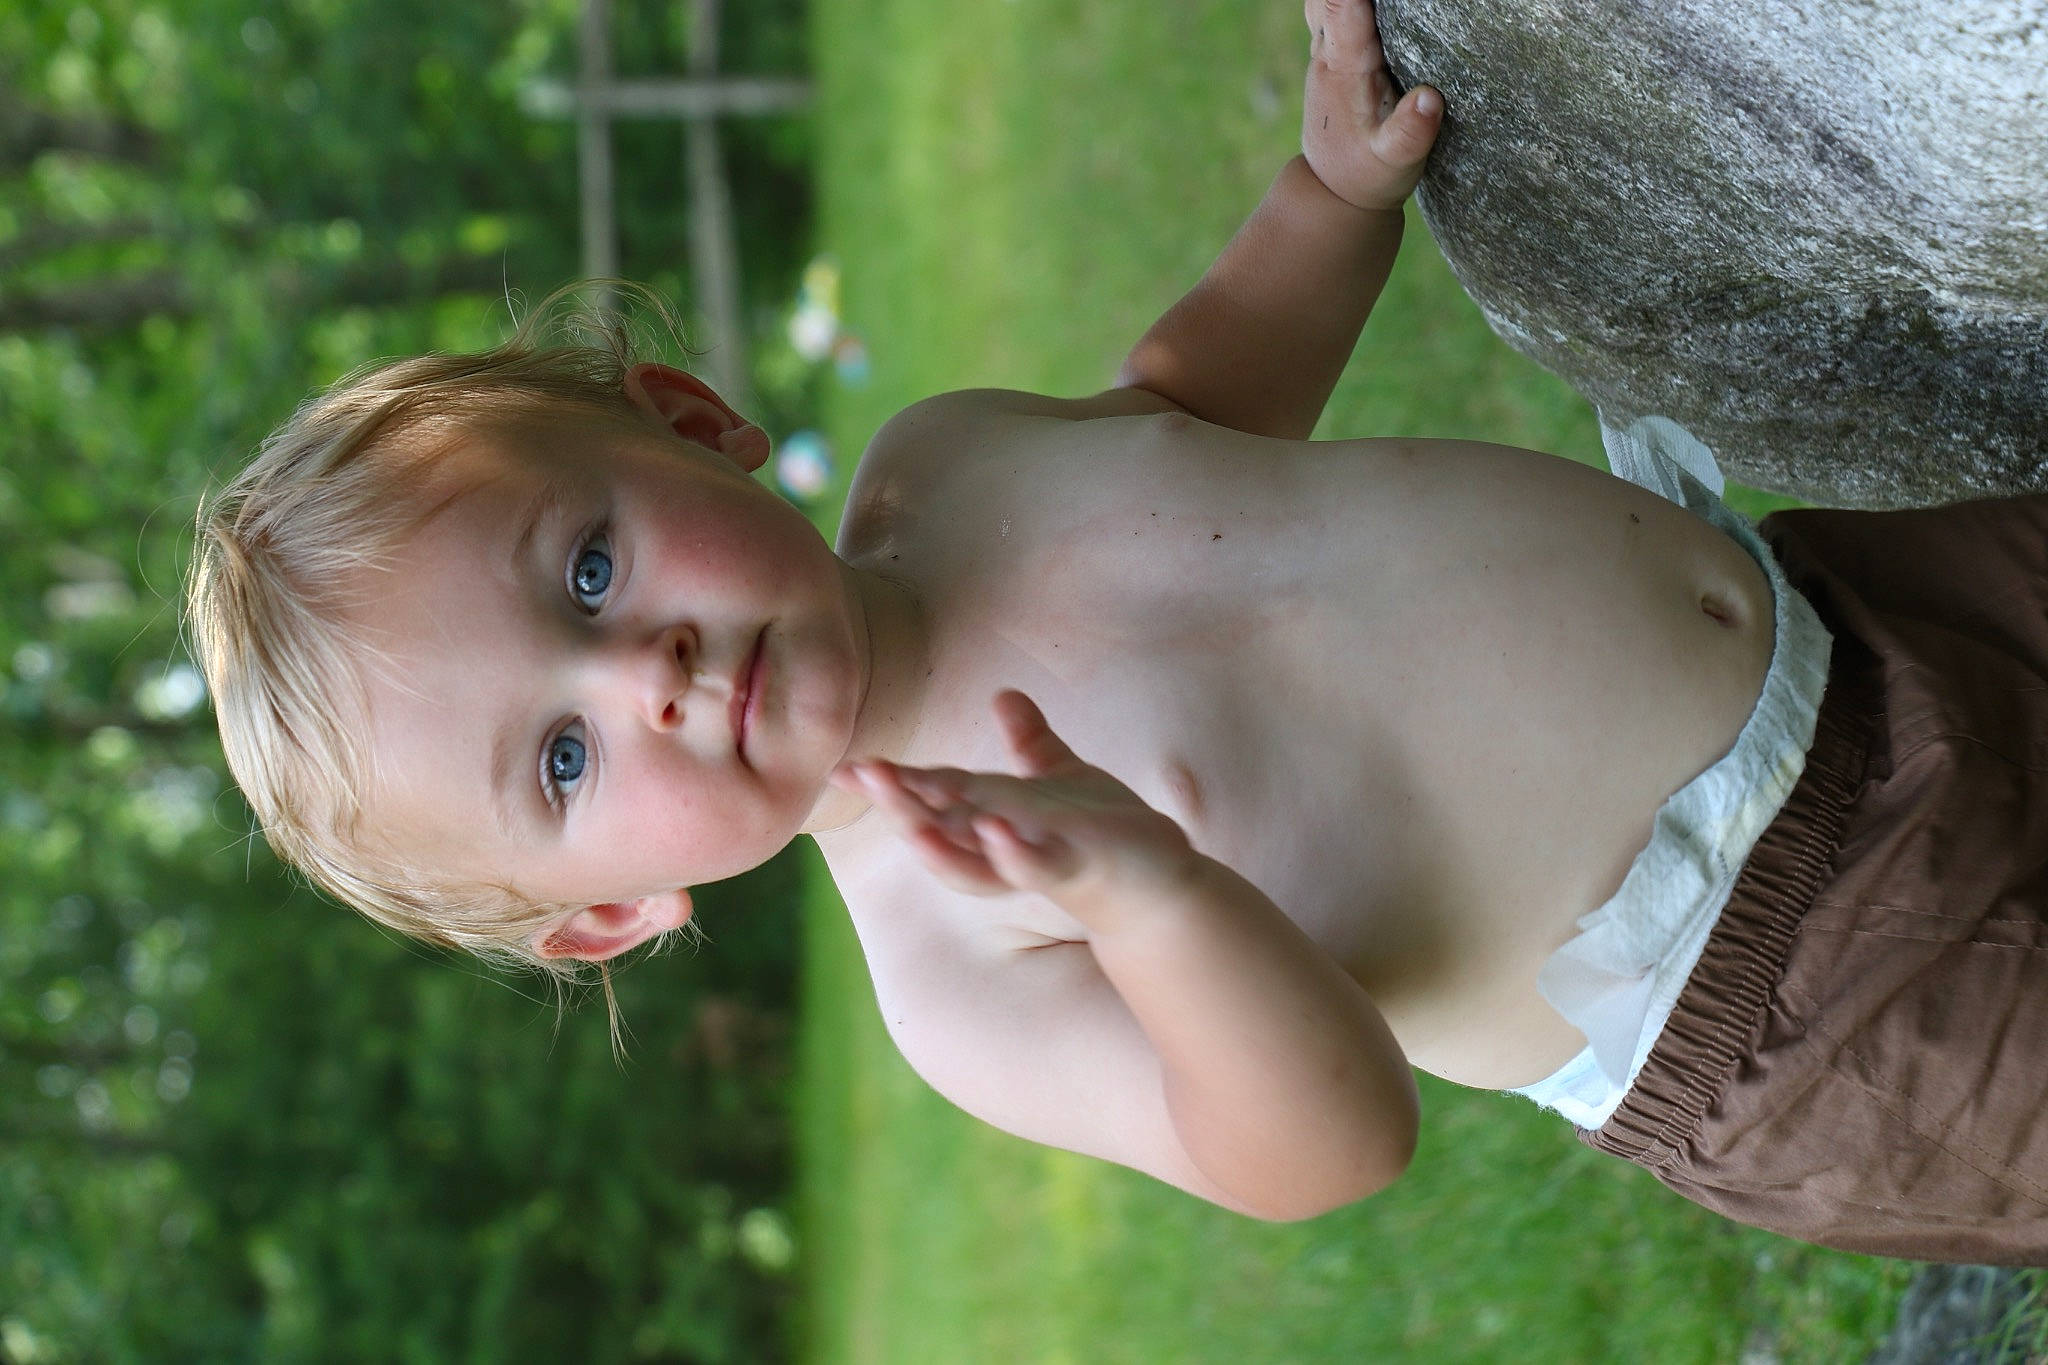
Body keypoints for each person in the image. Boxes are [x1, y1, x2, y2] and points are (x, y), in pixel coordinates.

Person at [187, 0, 2048, 1265]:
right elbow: (1313, 1146)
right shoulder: (958, 958)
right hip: (1809, 1000)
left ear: (687, 422)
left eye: (585, 572)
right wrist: (1160, 899)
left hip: (1868, 624)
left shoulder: (947, 467)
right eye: (565, 758)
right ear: (606, 914)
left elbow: (1201, 391)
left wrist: (1326, 196)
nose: (640, 672)